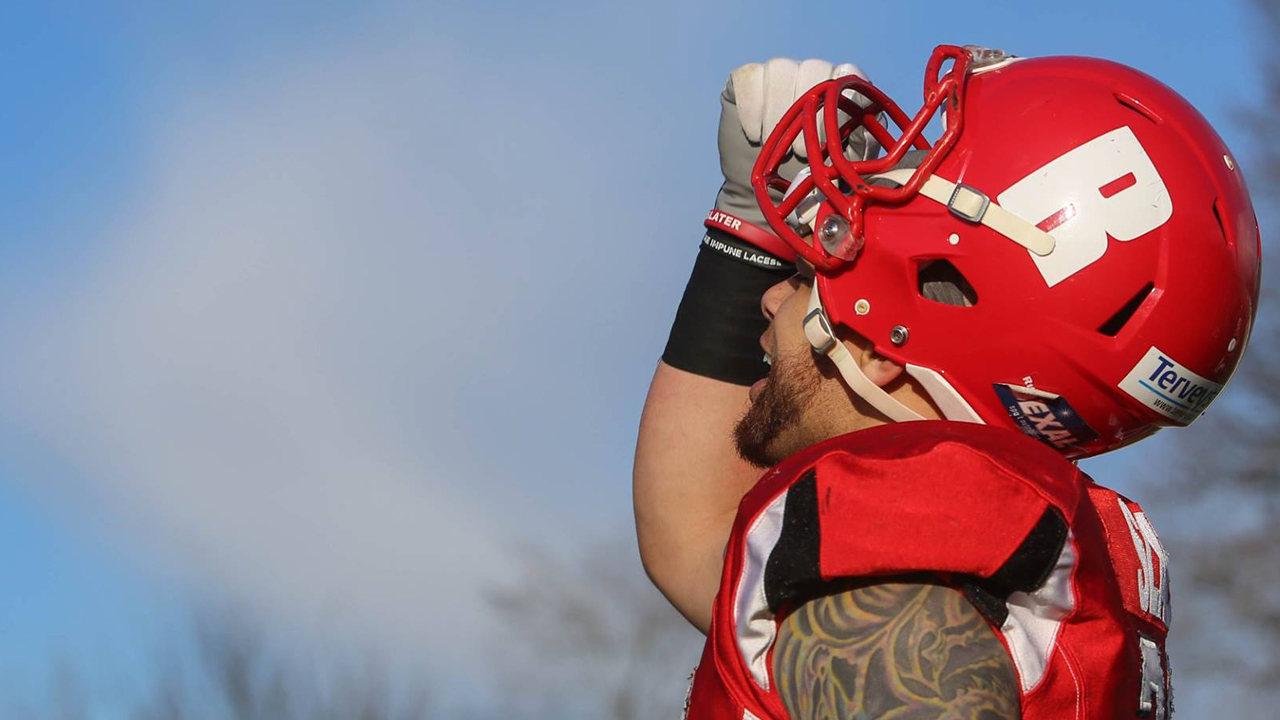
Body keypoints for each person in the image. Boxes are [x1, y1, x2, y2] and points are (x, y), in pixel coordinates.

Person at [634, 45, 1261, 719]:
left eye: (813, 268)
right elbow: (693, 533)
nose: (770, 297)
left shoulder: (902, 553)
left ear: (885, 339)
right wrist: (745, 233)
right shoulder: (985, 541)